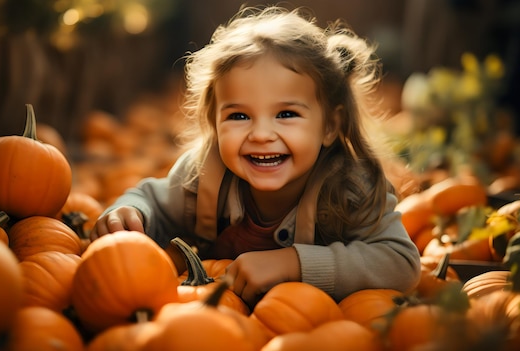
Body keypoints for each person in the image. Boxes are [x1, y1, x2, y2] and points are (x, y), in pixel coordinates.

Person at [91, 5, 421, 308]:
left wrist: (292, 263)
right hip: (213, 322)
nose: (261, 134)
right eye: (238, 116)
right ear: (214, 124)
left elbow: (400, 262)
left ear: (330, 126)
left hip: (307, 330)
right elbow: (155, 201)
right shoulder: (203, 176)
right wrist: (132, 212)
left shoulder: (350, 188)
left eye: (286, 114)